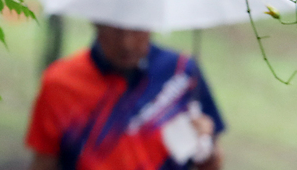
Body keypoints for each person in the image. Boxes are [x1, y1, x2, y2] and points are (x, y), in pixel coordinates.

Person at [26, 23, 225, 170]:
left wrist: (205, 147)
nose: (127, 43)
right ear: (96, 23)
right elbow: (44, 161)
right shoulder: (60, 82)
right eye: (116, 30)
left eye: (137, 29)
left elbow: (212, 161)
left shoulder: (181, 70)